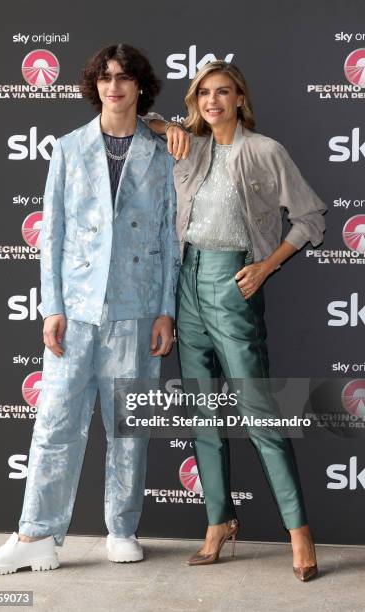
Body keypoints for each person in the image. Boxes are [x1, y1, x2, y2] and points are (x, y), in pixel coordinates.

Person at [0, 43, 180, 575]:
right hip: (78, 309)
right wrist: (52, 306)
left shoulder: (161, 152)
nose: (115, 87)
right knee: (56, 422)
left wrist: (165, 310)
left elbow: (170, 238)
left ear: (139, 87)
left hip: (136, 309)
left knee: (128, 427)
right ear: (94, 86)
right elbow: (53, 234)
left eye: (125, 78)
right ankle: (36, 534)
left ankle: (122, 528)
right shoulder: (67, 148)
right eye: (106, 78)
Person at [145, 61, 326, 582]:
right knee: (203, 415)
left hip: (233, 281)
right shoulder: (190, 147)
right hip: (187, 284)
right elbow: (140, 122)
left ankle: (299, 532)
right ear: (195, 100)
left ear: (240, 99)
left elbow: (311, 217)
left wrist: (265, 266)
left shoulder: (265, 151)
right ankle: (218, 522)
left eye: (223, 92)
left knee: (259, 413)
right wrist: (171, 126)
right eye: (204, 93)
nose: (214, 102)